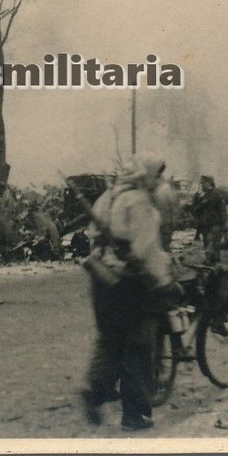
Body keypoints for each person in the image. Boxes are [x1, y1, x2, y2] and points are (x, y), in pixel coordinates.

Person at [80, 154, 182, 432]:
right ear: (145, 175)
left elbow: (92, 236)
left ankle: (95, 389)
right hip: (131, 282)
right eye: (157, 175)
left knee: (110, 339)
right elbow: (145, 249)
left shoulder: (107, 197)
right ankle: (135, 416)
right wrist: (163, 279)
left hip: (102, 278)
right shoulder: (139, 202)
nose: (159, 181)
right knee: (138, 347)